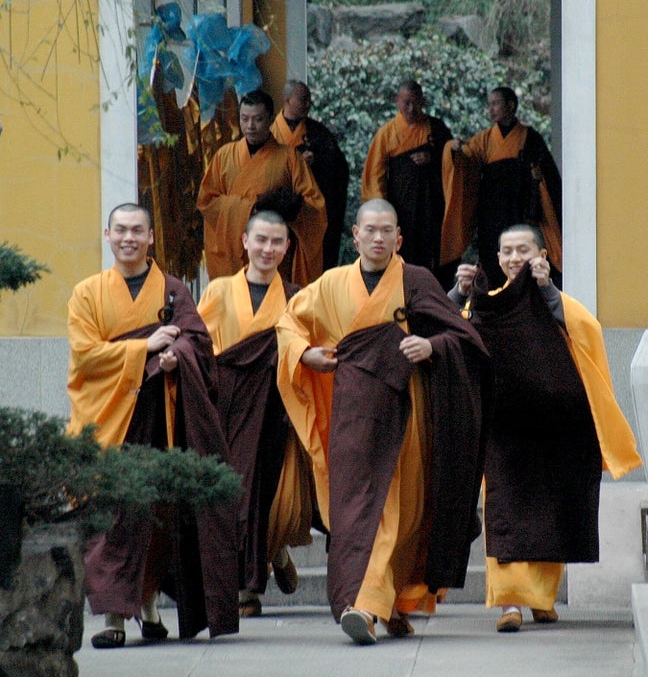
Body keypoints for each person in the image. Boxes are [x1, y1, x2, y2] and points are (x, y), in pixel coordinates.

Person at [276, 198, 492, 645]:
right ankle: (367, 606)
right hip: (351, 414)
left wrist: (431, 347)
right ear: (354, 235)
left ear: (399, 238)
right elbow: (288, 323)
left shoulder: (415, 280)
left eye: (386, 230)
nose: (378, 238)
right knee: (361, 511)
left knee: (403, 512)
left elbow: (463, 336)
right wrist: (304, 353)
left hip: (405, 413)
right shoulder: (331, 283)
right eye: (369, 230)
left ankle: (384, 601)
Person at [449, 223, 642, 633]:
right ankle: (510, 604)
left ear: (542, 256)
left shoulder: (559, 302)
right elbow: (453, 334)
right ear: (497, 259)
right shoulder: (488, 303)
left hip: (555, 425)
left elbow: (586, 334)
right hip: (504, 428)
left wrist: (548, 290)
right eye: (507, 251)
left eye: (523, 249)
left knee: (551, 511)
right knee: (505, 507)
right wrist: (458, 295)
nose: (514, 257)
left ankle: (540, 599)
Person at [67, 203, 238, 648]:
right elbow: (85, 355)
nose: (128, 238)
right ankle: (112, 618)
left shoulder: (174, 290)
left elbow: (198, 343)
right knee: (115, 515)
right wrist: (144, 348)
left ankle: (146, 605)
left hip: (160, 419)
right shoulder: (87, 293)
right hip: (109, 419)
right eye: (120, 230)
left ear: (150, 238)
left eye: (137, 231)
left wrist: (172, 358)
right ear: (107, 235)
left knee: (159, 515)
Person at [197, 208, 314, 619]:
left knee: (260, 489)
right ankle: (259, 569)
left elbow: (303, 348)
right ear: (244, 242)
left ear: (286, 247)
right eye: (259, 240)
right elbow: (202, 349)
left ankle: (255, 575)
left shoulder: (299, 297)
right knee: (235, 490)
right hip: (227, 406)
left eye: (276, 241)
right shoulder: (218, 291)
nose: (267, 248)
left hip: (277, 410)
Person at [197, 89, 327, 285]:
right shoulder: (224, 156)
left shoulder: (289, 158)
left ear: (270, 120)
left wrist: (291, 208)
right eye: (244, 118)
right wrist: (253, 207)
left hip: (274, 257)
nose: (250, 126)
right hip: (234, 253)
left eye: (257, 119)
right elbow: (206, 202)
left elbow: (315, 206)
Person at [443, 86, 563, 290]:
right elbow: (467, 161)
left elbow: (548, 176)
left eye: (496, 104)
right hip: (491, 214)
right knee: (493, 263)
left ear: (511, 106)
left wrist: (537, 177)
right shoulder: (485, 139)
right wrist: (453, 150)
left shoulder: (529, 137)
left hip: (521, 211)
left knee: (523, 262)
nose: (491, 109)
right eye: (489, 105)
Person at [361, 80, 454, 287]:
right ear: (397, 102)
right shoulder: (386, 133)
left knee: (432, 255)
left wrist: (434, 157)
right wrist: (380, 209)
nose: (411, 109)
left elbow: (452, 161)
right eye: (406, 103)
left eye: (416, 103)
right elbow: (375, 173)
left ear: (423, 101)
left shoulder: (436, 128)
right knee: (402, 256)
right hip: (401, 208)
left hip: (432, 207)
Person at [270, 80, 349, 270]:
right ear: (287, 100)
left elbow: (340, 170)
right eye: (303, 100)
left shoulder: (319, 133)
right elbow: (263, 171)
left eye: (309, 100)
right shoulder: (271, 134)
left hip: (312, 216)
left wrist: (318, 163)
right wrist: (297, 164)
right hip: (281, 214)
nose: (308, 105)